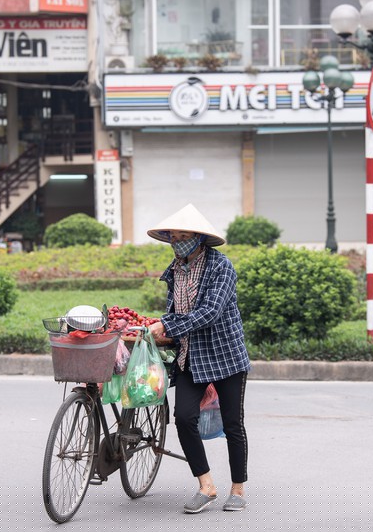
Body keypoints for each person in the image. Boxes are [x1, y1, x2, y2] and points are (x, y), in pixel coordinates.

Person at [146, 203, 251, 514]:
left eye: (184, 235)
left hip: (226, 355)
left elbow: (209, 312)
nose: (178, 241)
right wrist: (163, 330)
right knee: (184, 419)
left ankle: (238, 488)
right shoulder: (175, 270)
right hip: (190, 357)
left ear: (200, 238)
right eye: (174, 236)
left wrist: (168, 325)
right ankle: (206, 485)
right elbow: (174, 311)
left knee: (233, 424)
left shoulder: (221, 267)